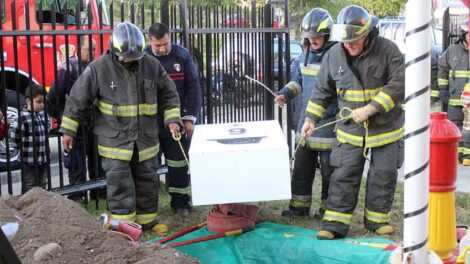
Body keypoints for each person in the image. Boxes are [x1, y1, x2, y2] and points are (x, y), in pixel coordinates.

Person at [60, 22, 182, 226]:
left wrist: (172, 120)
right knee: (119, 184)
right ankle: (124, 228)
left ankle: (147, 223)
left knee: (147, 180)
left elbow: (169, 93)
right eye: (127, 56)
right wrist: (68, 131)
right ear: (115, 50)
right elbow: (77, 99)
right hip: (114, 142)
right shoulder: (99, 68)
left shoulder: (151, 66)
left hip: (145, 140)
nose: (132, 60)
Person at [301, 5, 404, 239]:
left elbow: (399, 84)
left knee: (383, 174)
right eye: (345, 42)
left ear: (367, 35)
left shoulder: (389, 51)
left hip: (386, 127)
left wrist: (372, 108)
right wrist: (310, 119)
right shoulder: (335, 54)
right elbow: (321, 90)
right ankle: (335, 223)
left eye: (354, 41)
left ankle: (377, 221)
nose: (349, 46)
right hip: (350, 128)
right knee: (344, 173)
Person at [275, 8, 337, 219]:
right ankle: (299, 208)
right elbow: (298, 81)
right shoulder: (305, 56)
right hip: (305, 124)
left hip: (329, 125)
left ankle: (327, 210)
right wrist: (285, 93)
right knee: (301, 169)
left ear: (327, 34)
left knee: (330, 172)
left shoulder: (337, 56)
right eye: (309, 37)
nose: (312, 41)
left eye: (316, 36)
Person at [145, 23, 202, 217]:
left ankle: (181, 203)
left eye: (165, 44)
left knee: (178, 163)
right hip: (150, 123)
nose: (162, 49)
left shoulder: (182, 55)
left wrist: (188, 118)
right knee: (148, 166)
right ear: (149, 42)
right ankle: (148, 206)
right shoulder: (143, 58)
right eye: (157, 45)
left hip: (177, 121)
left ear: (170, 38)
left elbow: (193, 87)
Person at [48, 36, 98, 201]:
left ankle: (99, 192)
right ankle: (78, 195)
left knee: (96, 162)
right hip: (75, 124)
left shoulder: (95, 67)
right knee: (76, 163)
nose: (93, 53)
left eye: (95, 49)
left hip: (93, 123)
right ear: (78, 49)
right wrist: (63, 118)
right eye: (89, 49)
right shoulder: (68, 68)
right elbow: (54, 96)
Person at [438, 20, 470, 165]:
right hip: (454, 99)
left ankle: (467, 156)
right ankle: (456, 155)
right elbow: (442, 69)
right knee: (454, 127)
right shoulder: (452, 50)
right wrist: (443, 90)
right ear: (463, 35)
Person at [10, 84, 49, 194]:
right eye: (38, 102)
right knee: (29, 185)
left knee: (42, 184)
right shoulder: (22, 117)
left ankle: (42, 207)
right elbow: (14, 137)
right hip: (28, 160)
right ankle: (28, 208)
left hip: (43, 158)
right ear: (28, 101)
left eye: (43, 102)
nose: (42, 105)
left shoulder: (43, 115)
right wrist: (20, 150)